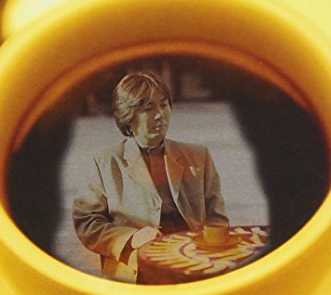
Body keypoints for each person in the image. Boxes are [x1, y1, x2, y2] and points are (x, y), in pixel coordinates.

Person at [73, 71, 228, 282]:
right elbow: (87, 223)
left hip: (192, 271)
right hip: (135, 276)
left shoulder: (198, 157)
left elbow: (217, 220)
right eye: (148, 108)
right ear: (128, 117)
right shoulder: (104, 162)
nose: (160, 115)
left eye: (164, 105)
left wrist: (210, 263)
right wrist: (131, 238)